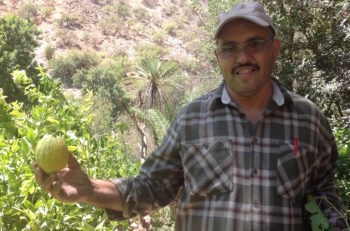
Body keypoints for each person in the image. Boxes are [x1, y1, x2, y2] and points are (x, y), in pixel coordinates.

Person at [33, 1, 347, 230]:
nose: (243, 57)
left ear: (274, 49)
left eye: (255, 44)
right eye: (229, 48)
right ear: (218, 57)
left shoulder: (308, 120)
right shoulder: (192, 120)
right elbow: (151, 187)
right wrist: (89, 191)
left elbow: (324, 198)